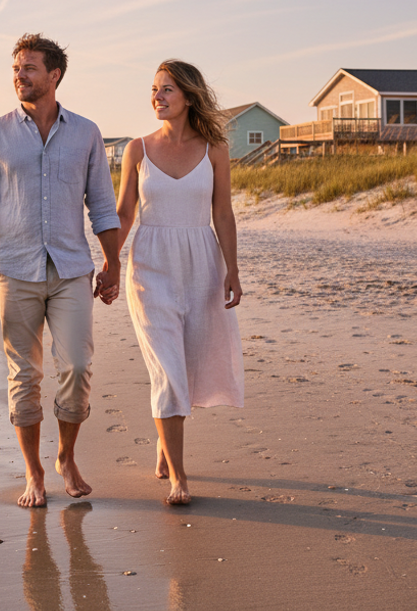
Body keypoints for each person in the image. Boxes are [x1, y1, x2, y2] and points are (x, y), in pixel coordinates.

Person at [0, 33, 121, 508]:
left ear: (54, 75)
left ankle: (65, 456)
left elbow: (103, 206)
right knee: (24, 376)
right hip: (14, 269)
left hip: (72, 267)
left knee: (76, 365)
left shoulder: (87, 133)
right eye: (15, 69)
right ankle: (34, 474)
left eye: (29, 68)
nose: (20, 76)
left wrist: (112, 263)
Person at [114, 59, 244, 506]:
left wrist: (233, 268)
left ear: (188, 96)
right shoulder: (137, 149)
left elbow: (222, 213)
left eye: (167, 89)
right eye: (154, 89)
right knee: (167, 369)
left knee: (187, 364)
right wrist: (111, 260)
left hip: (201, 263)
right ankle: (179, 478)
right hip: (149, 265)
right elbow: (124, 212)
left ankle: (164, 441)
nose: (158, 97)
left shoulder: (215, 150)